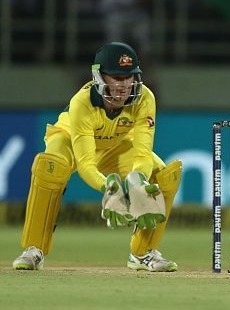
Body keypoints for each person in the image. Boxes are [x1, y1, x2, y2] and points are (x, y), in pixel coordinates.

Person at [12, 42, 182, 272]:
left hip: (116, 145)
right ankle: (34, 249)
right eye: (116, 77)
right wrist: (108, 186)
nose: (123, 85)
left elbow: (142, 152)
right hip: (69, 141)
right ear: (99, 77)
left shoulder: (145, 99)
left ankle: (143, 254)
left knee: (163, 176)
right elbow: (86, 163)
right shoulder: (81, 102)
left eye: (128, 77)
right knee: (50, 167)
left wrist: (138, 180)